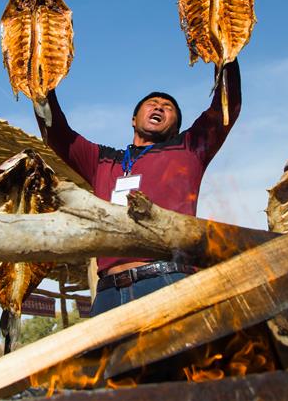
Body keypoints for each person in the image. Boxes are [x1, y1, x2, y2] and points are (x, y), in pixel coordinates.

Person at [34, 60, 241, 316]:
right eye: (152, 104)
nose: (159, 107)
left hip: (167, 281)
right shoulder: (104, 161)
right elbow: (56, 133)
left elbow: (226, 107)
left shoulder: (188, 149)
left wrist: (226, 54)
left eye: (168, 107)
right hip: (108, 293)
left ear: (175, 126)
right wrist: (40, 79)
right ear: (133, 119)